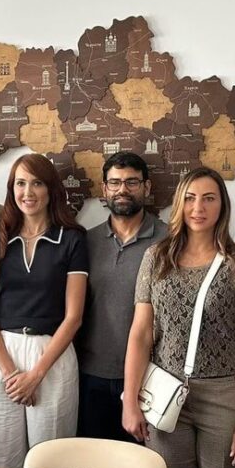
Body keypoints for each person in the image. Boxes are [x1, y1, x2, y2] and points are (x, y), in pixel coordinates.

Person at [123, 167, 235, 468]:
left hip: (224, 397)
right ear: (179, 204)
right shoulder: (156, 257)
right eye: (189, 198)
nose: (198, 208)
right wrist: (130, 402)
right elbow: (140, 334)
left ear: (222, 205)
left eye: (208, 198)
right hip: (165, 395)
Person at [0, 153, 88, 468]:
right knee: (0, 464)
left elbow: (74, 317)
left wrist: (36, 375)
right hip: (2, 356)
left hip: (51, 356)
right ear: (12, 189)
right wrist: (12, 374)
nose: (28, 192)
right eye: (20, 183)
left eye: (37, 183)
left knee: (49, 464)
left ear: (51, 189)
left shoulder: (72, 240)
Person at [76, 152, 166, 441]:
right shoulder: (84, 242)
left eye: (131, 182)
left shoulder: (170, 242)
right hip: (91, 376)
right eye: (114, 183)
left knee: (144, 464)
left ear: (147, 187)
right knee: (95, 462)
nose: (122, 190)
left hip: (151, 379)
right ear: (104, 189)